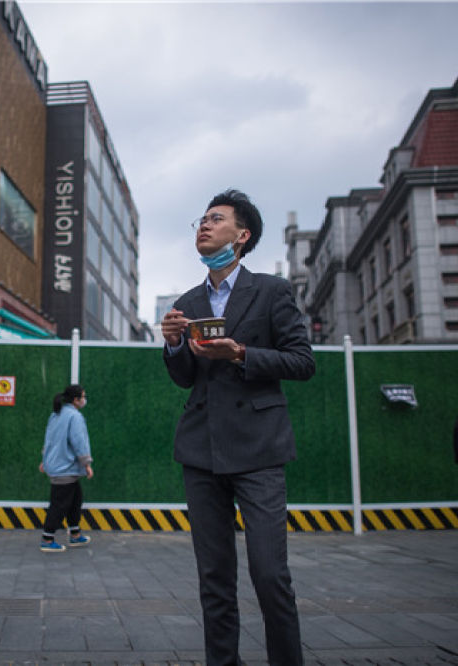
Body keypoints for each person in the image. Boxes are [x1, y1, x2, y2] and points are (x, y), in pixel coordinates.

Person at [162, 188, 315, 666]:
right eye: (201, 221)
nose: (204, 226)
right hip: (201, 451)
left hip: (259, 450)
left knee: (270, 575)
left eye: (216, 219)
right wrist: (173, 345)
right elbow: (185, 377)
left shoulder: (271, 291)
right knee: (214, 578)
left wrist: (242, 353)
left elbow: (302, 362)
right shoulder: (187, 302)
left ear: (242, 235)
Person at [38, 384, 93, 553]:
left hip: (61, 466)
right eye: (83, 397)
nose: (84, 400)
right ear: (76, 400)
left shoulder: (56, 414)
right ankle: (47, 539)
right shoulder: (75, 416)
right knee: (59, 505)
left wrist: (45, 460)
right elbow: (79, 441)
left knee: (75, 500)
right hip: (65, 468)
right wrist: (86, 463)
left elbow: (49, 440)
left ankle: (75, 534)